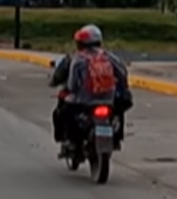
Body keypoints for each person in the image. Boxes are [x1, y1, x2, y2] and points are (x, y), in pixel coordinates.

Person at [50, 25, 131, 154]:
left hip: (84, 100)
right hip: (108, 99)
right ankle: (117, 137)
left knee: (63, 112)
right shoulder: (109, 57)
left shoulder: (78, 59)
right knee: (118, 111)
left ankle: (71, 141)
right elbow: (123, 74)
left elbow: (72, 85)